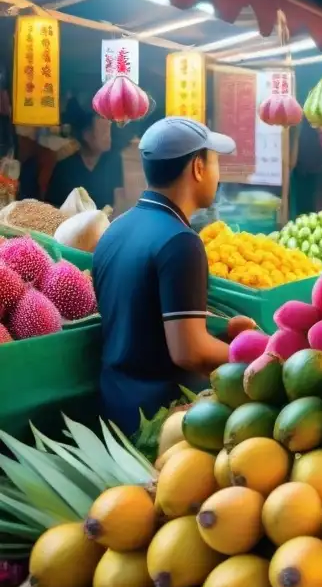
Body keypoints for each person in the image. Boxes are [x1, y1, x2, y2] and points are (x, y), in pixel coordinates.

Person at [93, 117, 254, 436]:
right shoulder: (181, 242)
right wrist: (258, 353)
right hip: (158, 422)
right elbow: (189, 352)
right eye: (215, 162)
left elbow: (144, 325)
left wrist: (222, 337)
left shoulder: (116, 229)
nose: (218, 174)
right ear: (198, 167)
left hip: (114, 410)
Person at [46, 102, 122, 210]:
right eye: (103, 131)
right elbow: (52, 207)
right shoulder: (65, 168)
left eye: (109, 130)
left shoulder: (114, 161)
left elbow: (119, 202)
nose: (108, 137)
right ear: (86, 135)